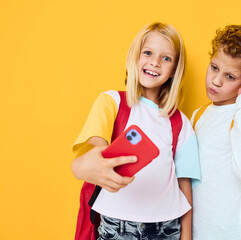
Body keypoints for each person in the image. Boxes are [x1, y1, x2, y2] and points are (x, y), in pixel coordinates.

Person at [71, 22, 201, 240]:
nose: (155, 62)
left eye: (166, 58)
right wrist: (92, 165)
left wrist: (186, 237)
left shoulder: (180, 123)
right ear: (135, 57)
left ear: (173, 71)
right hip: (116, 226)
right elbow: (95, 152)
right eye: (148, 53)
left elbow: (184, 184)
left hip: (166, 229)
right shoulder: (111, 102)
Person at [191, 25, 241, 239]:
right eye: (214, 67)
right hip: (199, 231)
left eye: (230, 76)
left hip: (235, 233)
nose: (216, 81)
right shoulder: (199, 115)